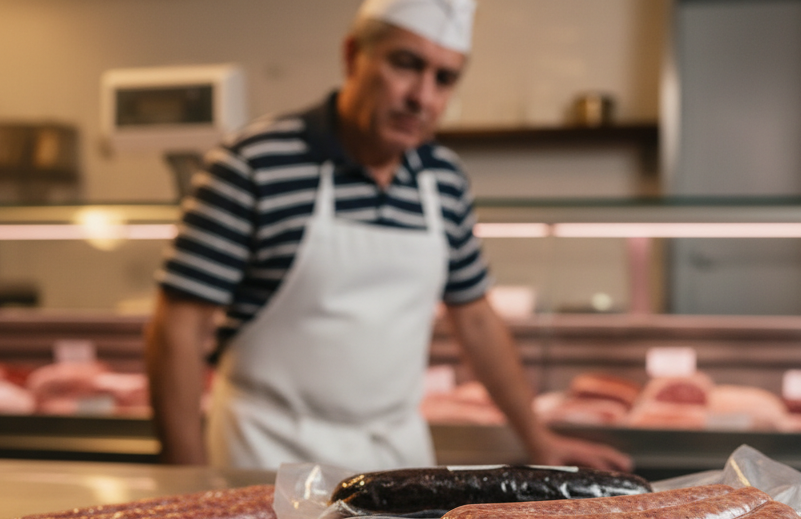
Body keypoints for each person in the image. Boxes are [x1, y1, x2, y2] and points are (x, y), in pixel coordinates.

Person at [145, 0, 631, 473]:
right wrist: (188, 479)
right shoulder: (253, 162)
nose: (422, 96)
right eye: (406, 64)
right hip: (265, 453)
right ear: (353, 55)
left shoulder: (442, 178)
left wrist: (538, 439)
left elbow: (476, 319)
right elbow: (179, 328)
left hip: (396, 456)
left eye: (444, 79)